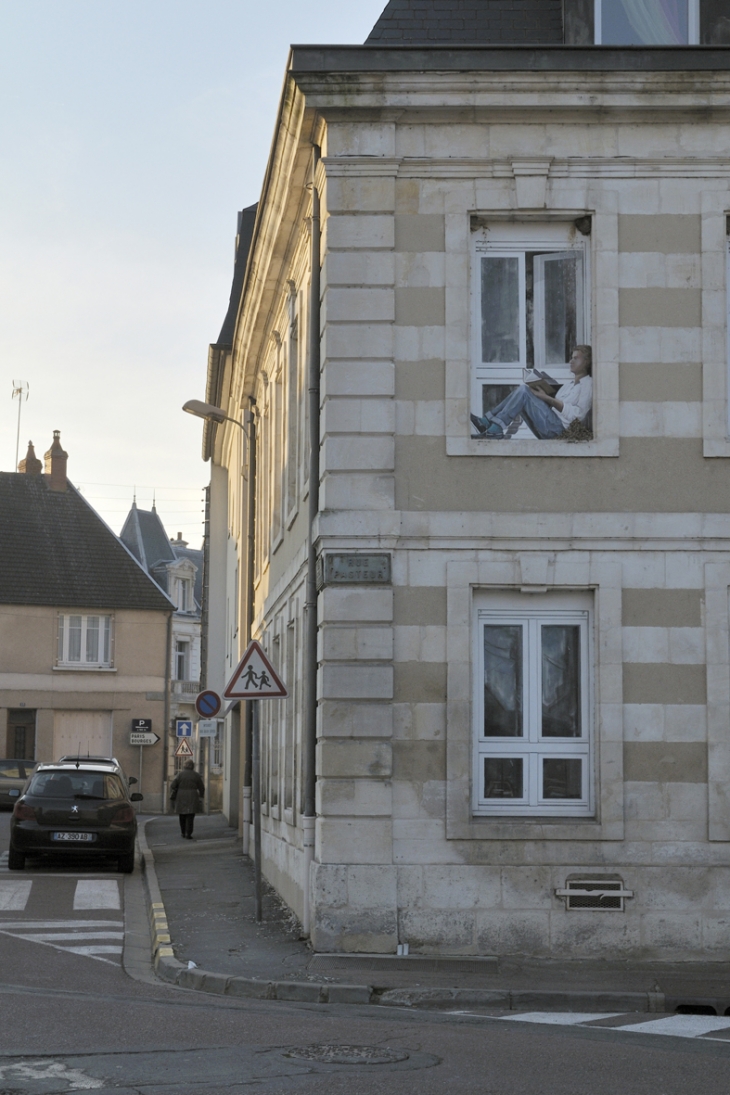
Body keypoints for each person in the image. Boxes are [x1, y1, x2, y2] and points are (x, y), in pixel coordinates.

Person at [470, 345, 593, 440]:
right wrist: (542, 395)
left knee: (524, 391)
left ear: (586, 362)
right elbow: (554, 408)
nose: (571, 361)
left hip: (558, 430)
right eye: (571, 358)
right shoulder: (569, 385)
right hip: (550, 425)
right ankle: (487, 422)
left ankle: (494, 428)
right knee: (524, 392)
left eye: (576, 358)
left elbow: (578, 415)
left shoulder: (588, 384)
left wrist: (547, 398)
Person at [170, 759, 205, 839]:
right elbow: (201, 787)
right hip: (192, 796)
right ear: (192, 766)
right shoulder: (196, 775)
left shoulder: (180, 774)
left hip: (181, 796)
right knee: (190, 816)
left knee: (182, 815)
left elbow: (173, 785)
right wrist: (201, 796)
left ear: (184, 765)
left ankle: (183, 832)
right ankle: (188, 833)